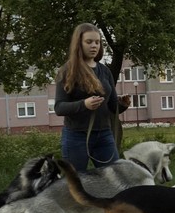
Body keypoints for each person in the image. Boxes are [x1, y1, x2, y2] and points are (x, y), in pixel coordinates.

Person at [54, 23, 131, 172]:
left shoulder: (105, 71)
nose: (94, 46)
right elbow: (59, 107)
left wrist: (122, 104)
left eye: (97, 42)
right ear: (79, 44)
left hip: (104, 135)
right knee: (75, 184)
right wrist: (84, 104)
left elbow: (112, 106)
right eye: (89, 42)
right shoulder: (67, 71)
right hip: (76, 136)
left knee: (115, 178)